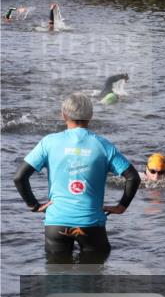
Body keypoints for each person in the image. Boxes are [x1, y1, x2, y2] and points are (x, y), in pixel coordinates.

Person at [12, 93, 139, 264]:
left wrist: (34, 205)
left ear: (63, 115)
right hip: (91, 225)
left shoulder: (49, 142)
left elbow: (20, 177)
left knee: (57, 280)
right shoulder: (103, 145)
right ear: (91, 116)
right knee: (93, 281)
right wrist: (121, 206)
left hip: (56, 224)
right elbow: (133, 177)